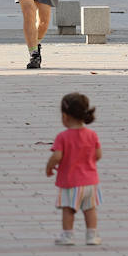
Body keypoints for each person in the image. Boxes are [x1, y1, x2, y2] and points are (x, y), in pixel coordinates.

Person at [44, 92, 103, 247]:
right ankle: (92, 235)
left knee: (68, 209)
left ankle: (68, 235)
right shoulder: (92, 134)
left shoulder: (63, 137)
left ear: (65, 116)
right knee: (90, 209)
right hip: (90, 182)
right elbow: (98, 154)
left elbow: (57, 156)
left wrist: (49, 167)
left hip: (70, 181)